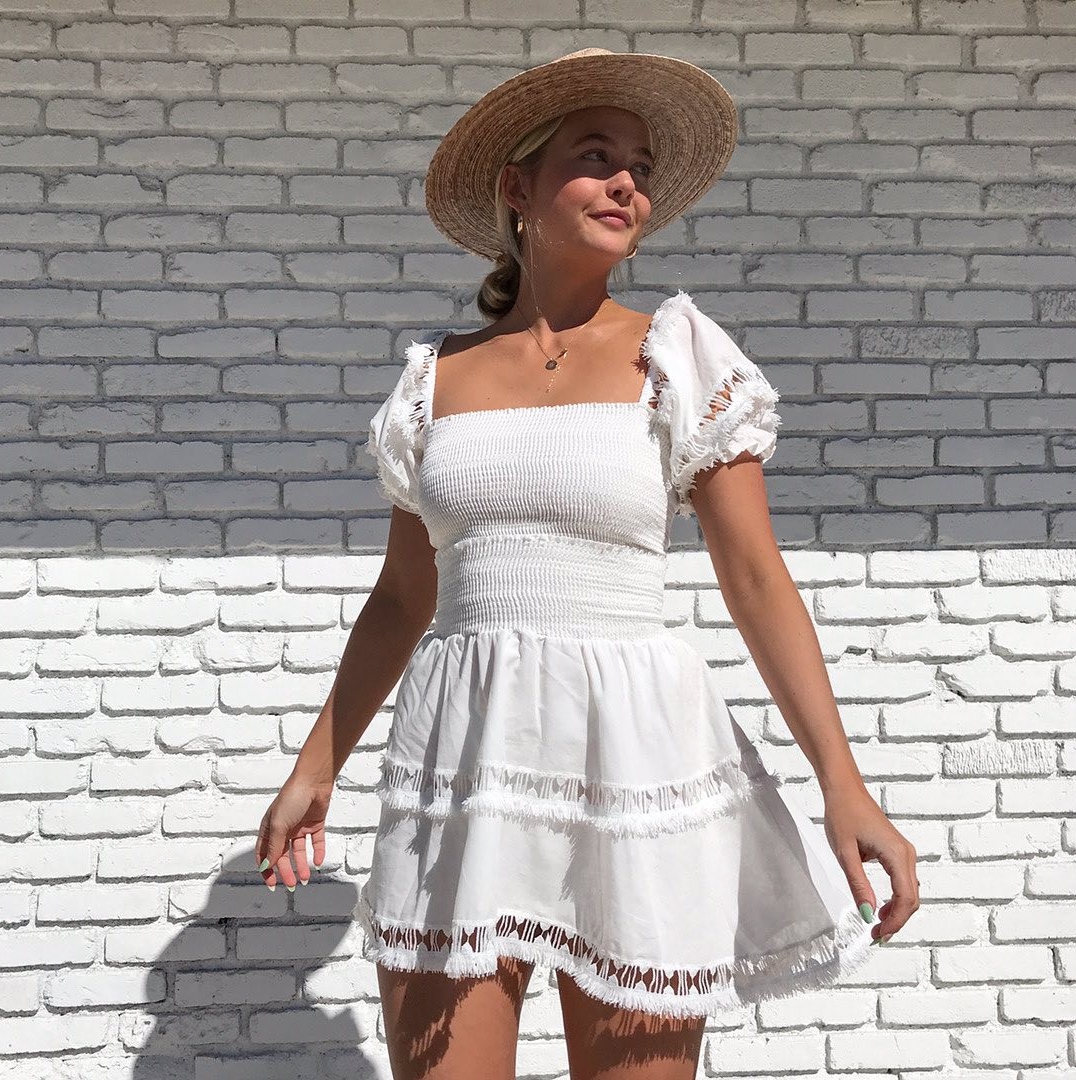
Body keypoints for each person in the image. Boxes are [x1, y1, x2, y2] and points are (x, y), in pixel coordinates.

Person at [256, 48, 920, 1080]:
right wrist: (316, 765)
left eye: (641, 166)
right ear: (518, 188)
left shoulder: (680, 354)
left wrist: (845, 786)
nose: (627, 182)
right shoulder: (434, 381)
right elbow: (401, 594)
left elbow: (756, 581)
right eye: (595, 155)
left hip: (634, 760)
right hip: (464, 764)